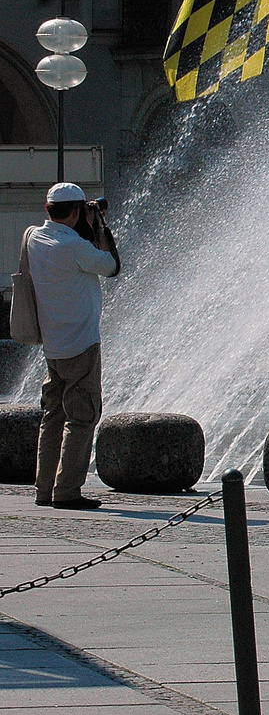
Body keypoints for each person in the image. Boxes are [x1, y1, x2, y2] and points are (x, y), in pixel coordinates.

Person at [30, 182, 120, 510]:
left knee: (53, 415)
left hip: (52, 345)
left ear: (47, 210)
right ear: (76, 211)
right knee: (82, 416)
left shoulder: (35, 238)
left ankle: (44, 488)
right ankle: (67, 490)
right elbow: (111, 265)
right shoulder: (75, 248)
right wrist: (99, 225)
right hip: (81, 342)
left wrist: (84, 220)